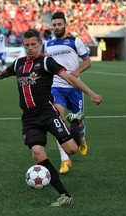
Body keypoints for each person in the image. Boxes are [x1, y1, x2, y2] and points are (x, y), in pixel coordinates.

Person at [0, 29, 102, 207]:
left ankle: (76, 122)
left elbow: (69, 78)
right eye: (27, 45)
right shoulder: (19, 64)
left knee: (72, 149)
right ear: (23, 45)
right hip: (29, 119)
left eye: (33, 44)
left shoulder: (46, 61)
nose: (30, 48)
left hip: (48, 113)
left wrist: (91, 93)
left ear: (39, 44)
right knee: (37, 153)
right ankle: (64, 195)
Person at [44, 12, 91, 174]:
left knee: (78, 123)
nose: (56, 27)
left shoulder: (74, 41)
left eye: (59, 24)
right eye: (54, 25)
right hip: (56, 87)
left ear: (65, 25)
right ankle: (65, 160)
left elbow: (87, 61)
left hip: (74, 88)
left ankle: (82, 140)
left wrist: (77, 72)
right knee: (58, 119)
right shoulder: (48, 45)